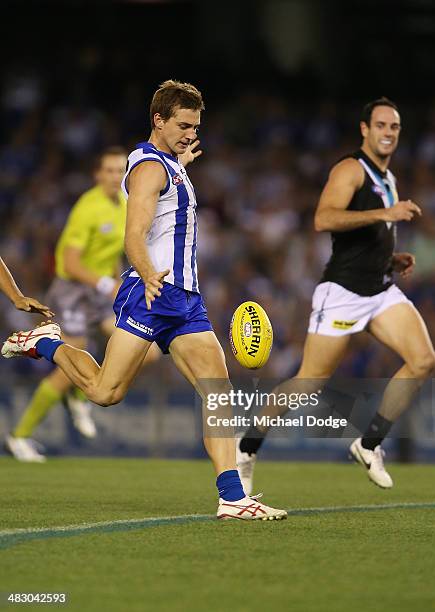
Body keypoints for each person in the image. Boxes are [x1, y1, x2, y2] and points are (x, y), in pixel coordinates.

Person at [2, 80, 286, 520]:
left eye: (196, 126)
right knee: (104, 392)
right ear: (159, 120)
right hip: (152, 292)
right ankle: (46, 343)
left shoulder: (167, 163)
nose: (192, 133)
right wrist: (148, 271)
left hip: (185, 298)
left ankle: (232, 498)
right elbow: (134, 233)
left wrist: (181, 162)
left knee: (217, 387)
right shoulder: (151, 169)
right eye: (184, 125)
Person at [237, 97, 435, 494]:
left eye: (394, 127)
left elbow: (364, 234)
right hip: (343, 291)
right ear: (365, 130)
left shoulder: (387, 176)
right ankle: (247, 448)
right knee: (309, 382)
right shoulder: (350, 169)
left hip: (380, 288)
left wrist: (390, 257)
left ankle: (368, 444)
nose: (388, 132)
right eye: (380, 125)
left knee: (423, 360)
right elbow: (323, 218)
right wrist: (386, 215)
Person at [5, 147, 162, 463]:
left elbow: (116, 254)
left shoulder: (124, 204)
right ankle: (19, 436)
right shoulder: (87, 209)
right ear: (97, 175)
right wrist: (109, 285)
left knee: (150, 352)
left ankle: (82, 393)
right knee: (67, 370)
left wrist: (120, 284)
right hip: (73, 292)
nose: (117, 176)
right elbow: (70, 262)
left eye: (122, 170)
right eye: (110, 171)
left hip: (101, 293)